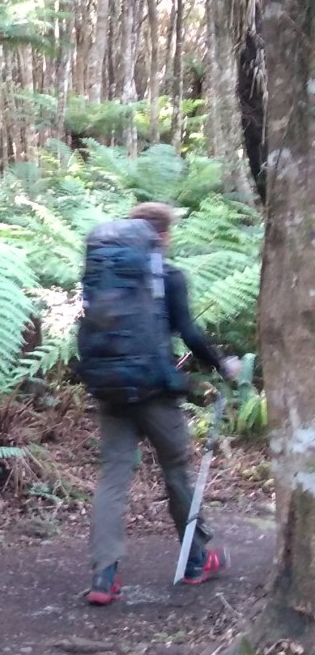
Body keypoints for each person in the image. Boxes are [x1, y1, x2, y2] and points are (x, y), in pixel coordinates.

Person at [87, 200, 240, 605]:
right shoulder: (170, 278)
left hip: (110, 389)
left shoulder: (106, 274)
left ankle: (104, 577)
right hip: (155, 391)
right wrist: (222, 364)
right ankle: (195, 560)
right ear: (163, 236)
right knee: (176, 472)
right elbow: (188, 332)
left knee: (113, 476)